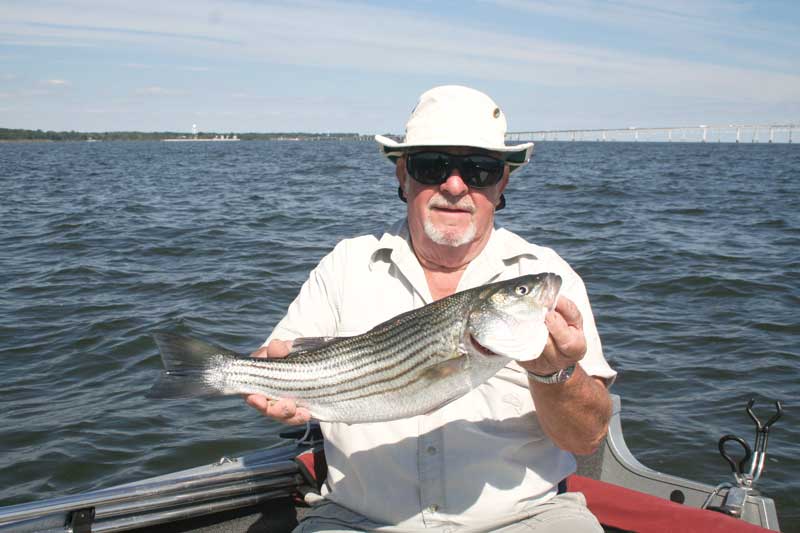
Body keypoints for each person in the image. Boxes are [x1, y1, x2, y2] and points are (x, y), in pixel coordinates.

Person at [246, 85, 616, 533]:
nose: (455, 186)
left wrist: (553, 373)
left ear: (502, 183)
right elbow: (281, 366)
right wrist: (275, 389)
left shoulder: (546, 274)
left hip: (526, 517)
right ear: (402, 175)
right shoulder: (346, 264)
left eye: (480, 170)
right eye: (432, 166)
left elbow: (586, 438)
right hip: (359, 520)